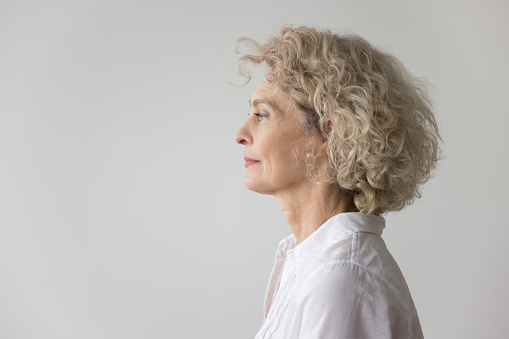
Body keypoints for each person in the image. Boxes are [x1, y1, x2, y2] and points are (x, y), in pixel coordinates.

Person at [234, 26, 440, 339]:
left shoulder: (341, 278)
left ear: (330, 133)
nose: (240, 134)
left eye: (262, 114)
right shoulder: (312, 263)